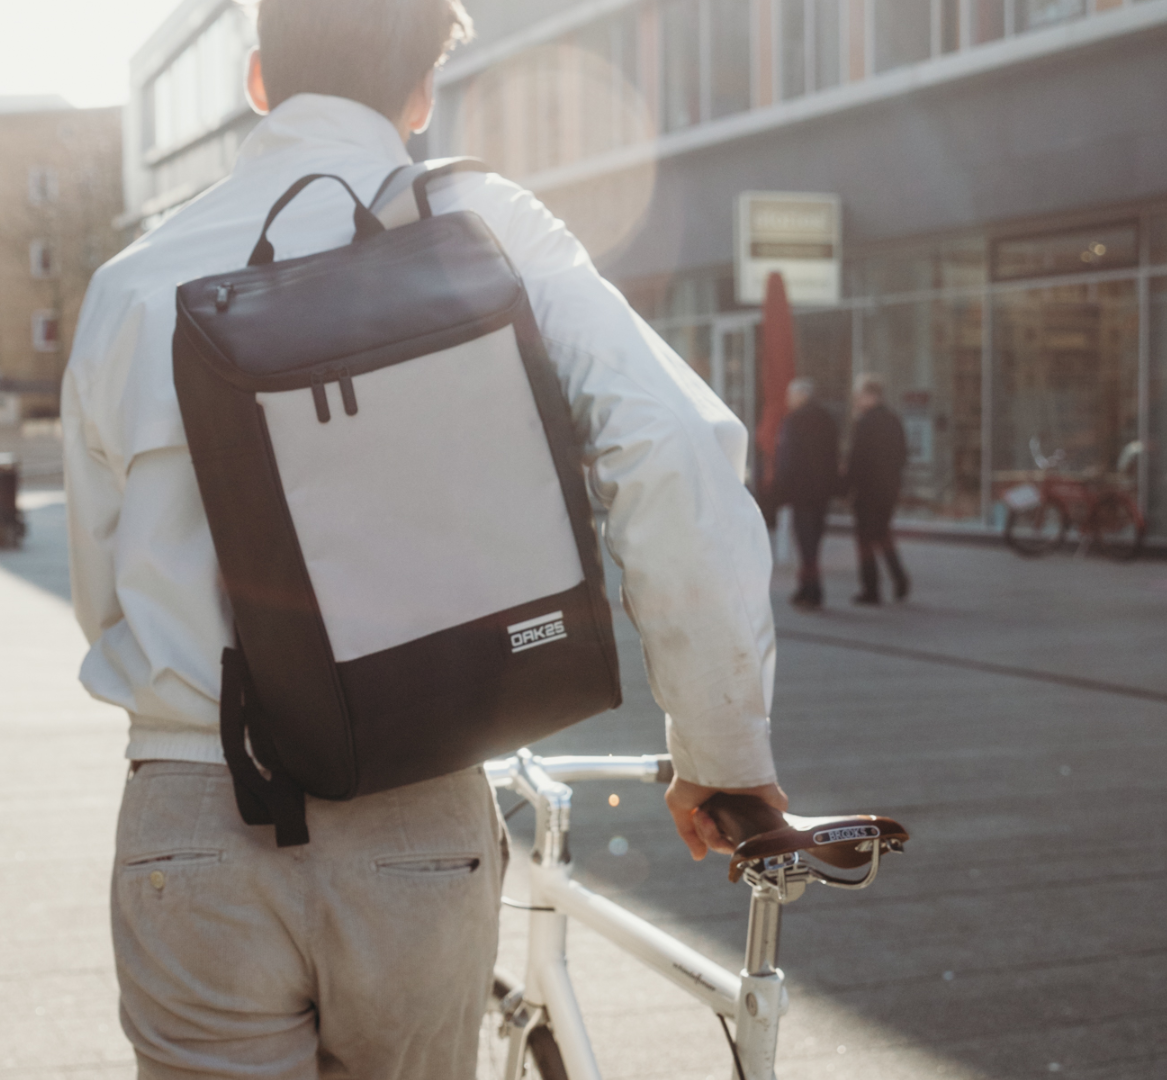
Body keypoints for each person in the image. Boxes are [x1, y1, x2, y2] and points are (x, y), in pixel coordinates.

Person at [61, 2, 786, 1074]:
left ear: (257, 81)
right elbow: (670, 447)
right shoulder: (481, 226)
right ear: (422, 93)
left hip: (193, 813)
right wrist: (722, 750)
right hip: (411, 811)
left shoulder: (131, 285)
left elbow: (101, 589)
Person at [769, 376, 839, 610]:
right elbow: (833, 455)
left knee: (806, 543)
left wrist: (780, 490)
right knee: (813, 542)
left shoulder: (794, 420)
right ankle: (805, 588)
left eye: (791, 395)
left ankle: (812, 591)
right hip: (822, 492)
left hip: (802, 492)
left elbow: (787, 459)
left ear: (801, 396)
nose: (788, 400)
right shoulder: (827, 418)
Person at [843, 373, 911, 604]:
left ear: (869, 396)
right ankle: (899, 578)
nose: (856, 399)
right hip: (888, 490)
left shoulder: (864, 423)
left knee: (865, 540)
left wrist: (846, 489)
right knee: (882, 534)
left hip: (867, 492)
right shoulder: (893, 420)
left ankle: (871, 589)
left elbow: (856, 460)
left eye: (859, 395)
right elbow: (902, 455)